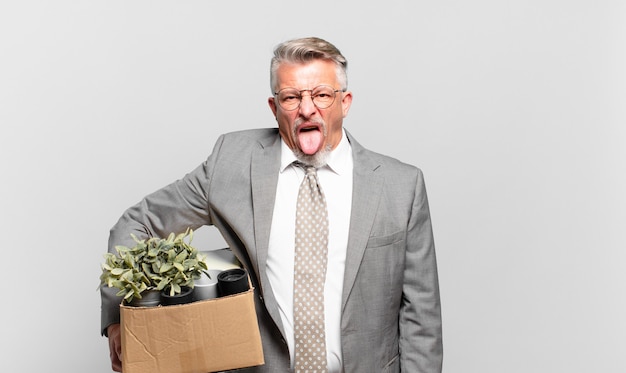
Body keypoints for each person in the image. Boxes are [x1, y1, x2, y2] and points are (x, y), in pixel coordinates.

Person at [101, 36, 443, 372]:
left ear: (346, 101)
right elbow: (137, 224)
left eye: (322, 95)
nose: (307, 109)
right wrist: (121, 318)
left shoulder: (401, 186)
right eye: (292, 97)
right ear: (274, 106)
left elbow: (421, 318)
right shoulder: (231, 163)